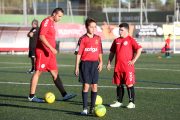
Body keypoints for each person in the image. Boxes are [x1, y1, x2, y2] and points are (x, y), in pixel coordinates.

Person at [28, 8, 76, 102]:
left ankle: (64, 95)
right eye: (59, 16)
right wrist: (51, 48)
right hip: (43, 52)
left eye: (61, 17)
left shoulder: (52, 23)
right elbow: (41, 36)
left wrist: (51, 49)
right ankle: (31, 96)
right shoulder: (46, 21)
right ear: (54, 14)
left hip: (50, 53)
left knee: (55, 73)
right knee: (38, 72)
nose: (60, 18)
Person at [106, 23, 142, 108]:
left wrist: (134, 60)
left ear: (127, 31)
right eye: (119, 30)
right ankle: (119, 101)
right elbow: (112, 52)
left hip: (128, 67)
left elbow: (139, 49)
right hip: (118, 67)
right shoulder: (116, 40)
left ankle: (131, 103)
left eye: (122, 30)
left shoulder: (131, 40)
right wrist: (108, 62)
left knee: (129, 84)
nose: (120, 31)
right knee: (119, 84)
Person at [74, 18, 103, 115]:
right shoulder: (82, 39)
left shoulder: (98, 38)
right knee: (86, 86)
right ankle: (85, 108)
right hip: (85, 64)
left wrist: (101, 62)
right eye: (91, 27)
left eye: (95, 27)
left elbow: (99, 51)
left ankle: (92, 107)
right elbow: (78, 53)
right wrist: (76, 66)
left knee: (94, 86)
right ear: (86, 27)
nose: (93, 29)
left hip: (95, 64)